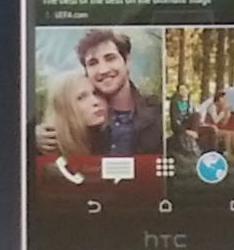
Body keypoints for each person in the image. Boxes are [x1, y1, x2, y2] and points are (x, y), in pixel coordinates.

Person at [43, 28, 163, 162]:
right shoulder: (87, 118)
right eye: (93, 63)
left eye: (110, 58)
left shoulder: (159, 114)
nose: (103, 70)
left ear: (127, 59)